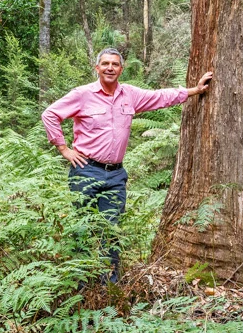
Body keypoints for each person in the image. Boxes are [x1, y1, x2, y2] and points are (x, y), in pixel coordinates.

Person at [42, 48, 213, 282]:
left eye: (114, 64)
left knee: (110, 232)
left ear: (121, 69)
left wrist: (195, 90)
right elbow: (50, 114)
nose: (110, 68)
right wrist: (63, 149)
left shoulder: (130, 95)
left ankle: (108, 289)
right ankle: (80, 289)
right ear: (97, 68)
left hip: (115, 176)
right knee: (82, 231)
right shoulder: (82, 94)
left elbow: (161, 97)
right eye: (105, 64)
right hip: (86, 171)